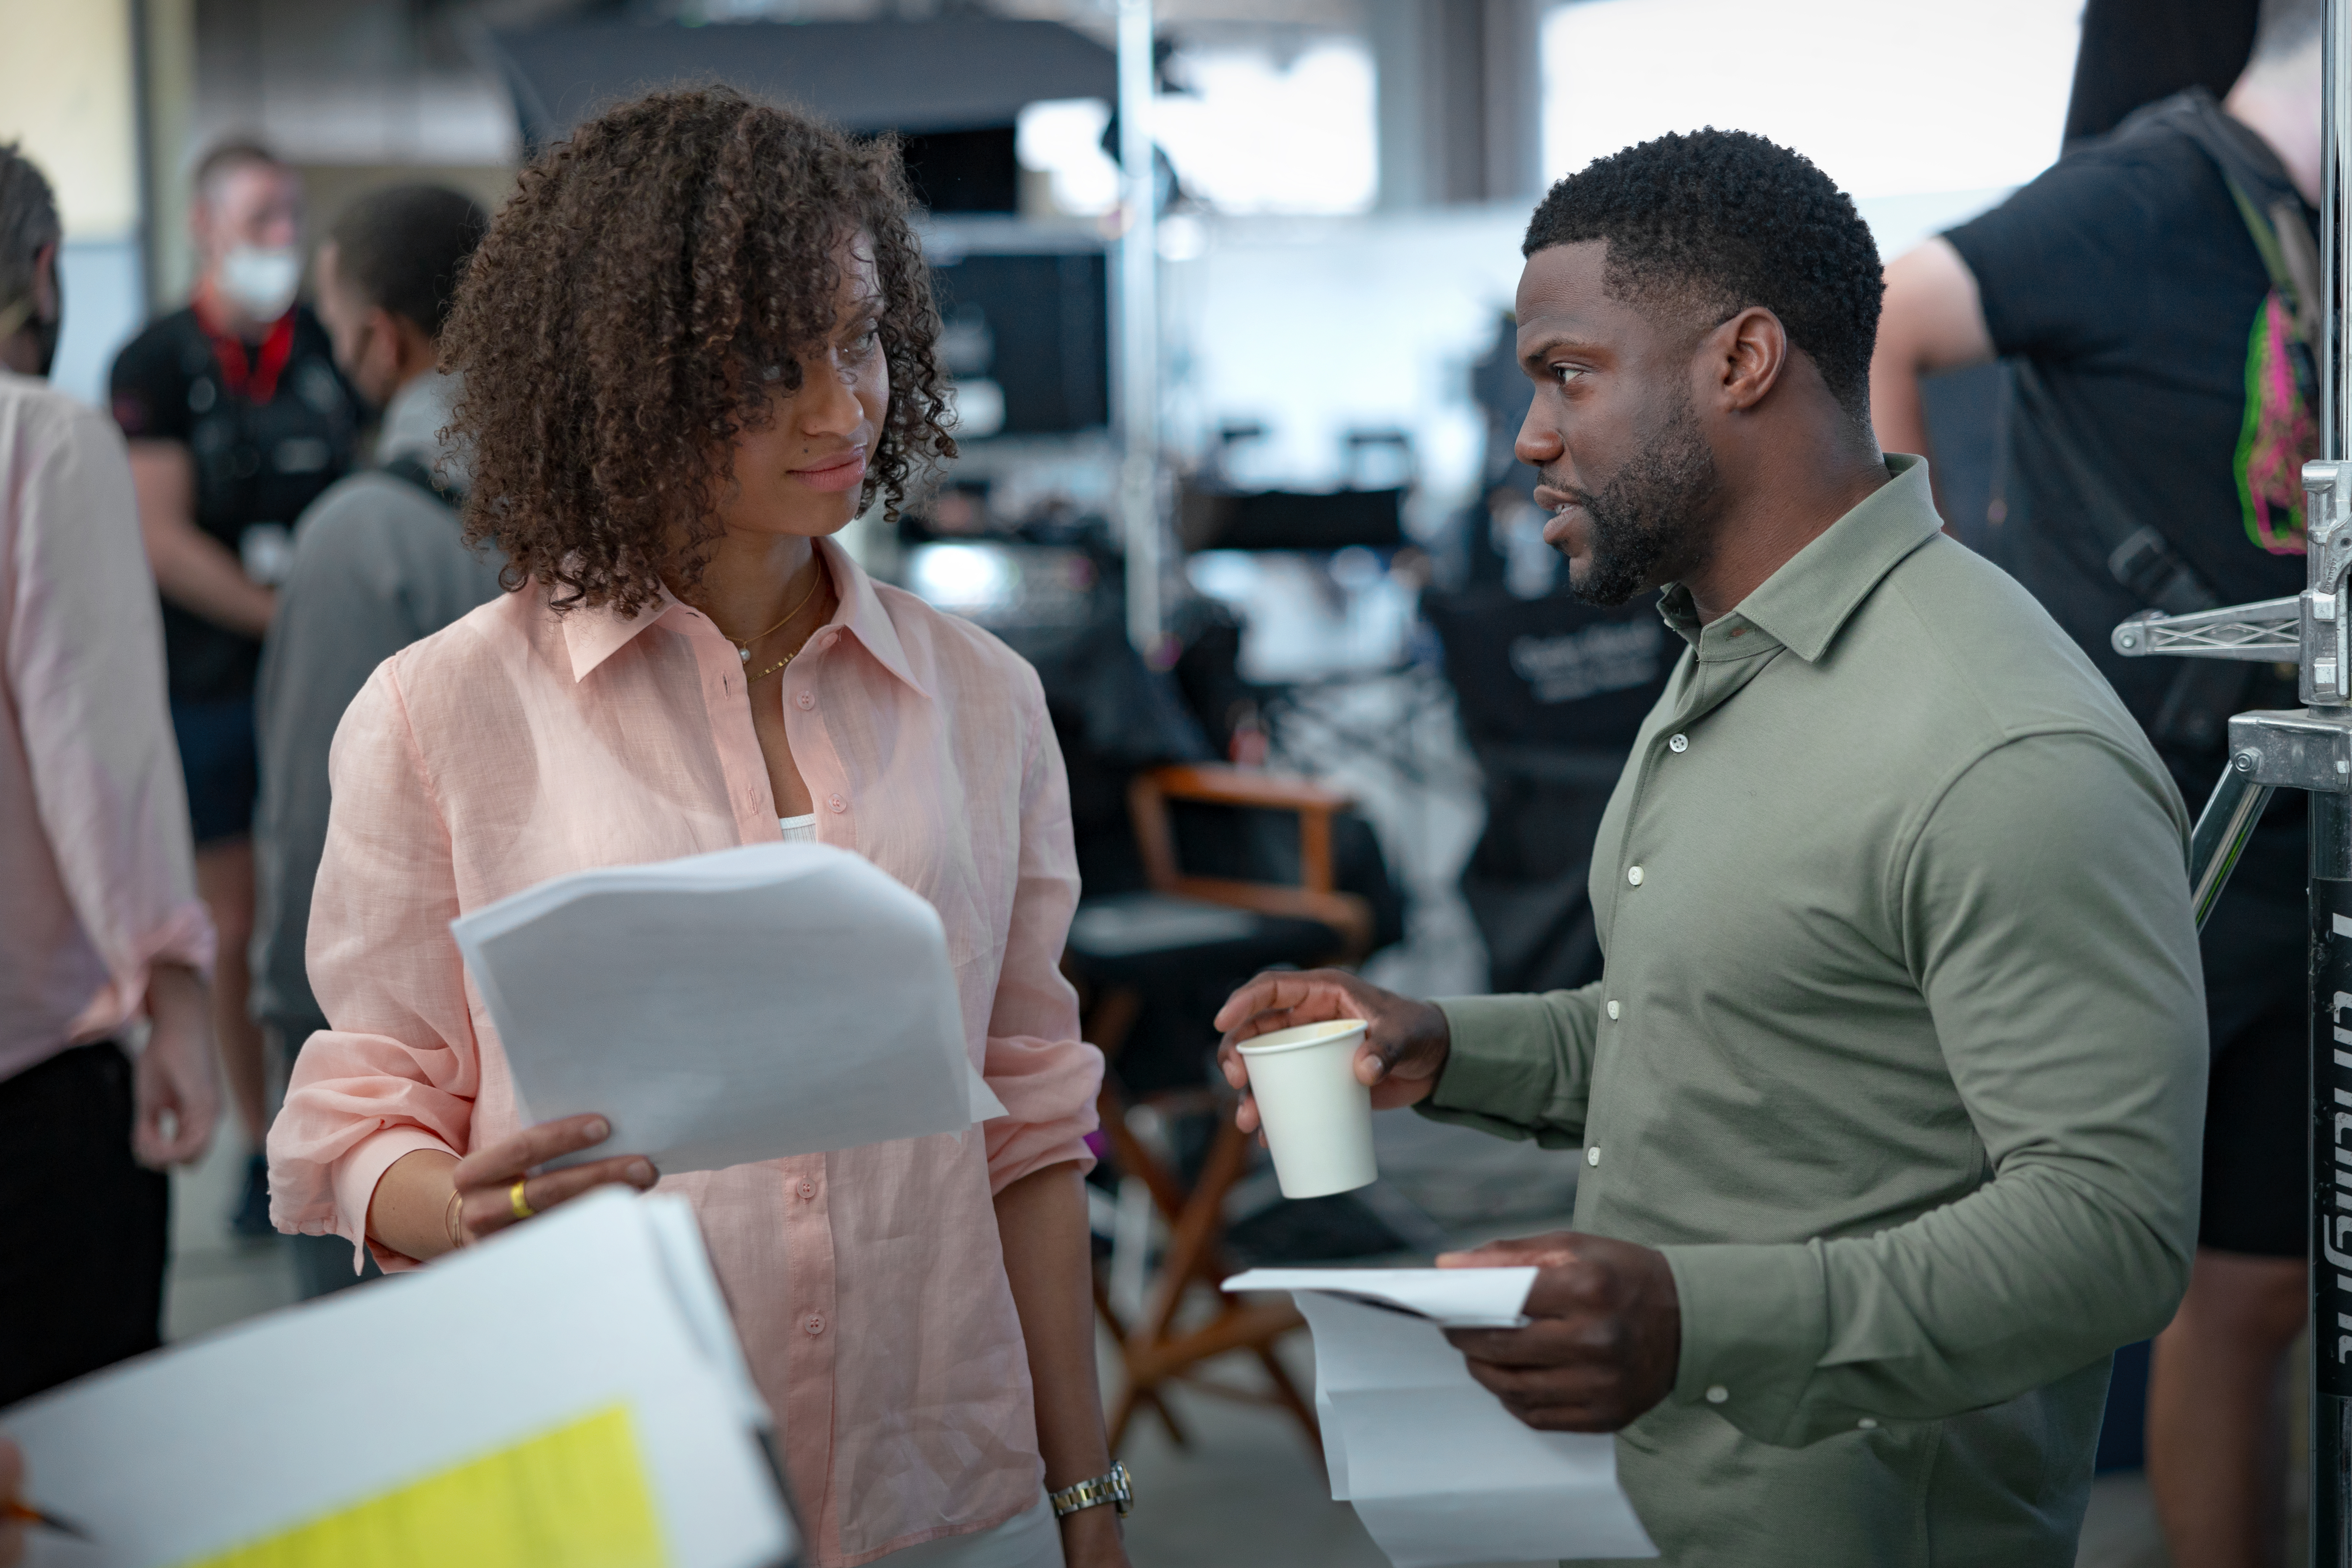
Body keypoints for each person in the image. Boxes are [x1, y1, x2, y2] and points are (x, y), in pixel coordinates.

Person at [1217, 129, 2206, 1568]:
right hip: (1657, 1502)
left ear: (1741, 362)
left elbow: (2110, 1229)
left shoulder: (2001, 748)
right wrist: (1443, 1045)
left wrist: (1699, 1321)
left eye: (1567, 372)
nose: (1530, 435)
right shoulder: (1726, 656)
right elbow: (1739, 1037)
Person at [265, 91, 1126, 1568]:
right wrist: (452, 1209)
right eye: (766, 365)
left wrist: (1087, 1505)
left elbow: (1031, 1123)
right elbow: (361, 1115)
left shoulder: (982, 700)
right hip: (615, 1496)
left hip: (946, 1482)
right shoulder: (444, 714)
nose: (840, 409)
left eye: (858, 341)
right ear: (629, 374)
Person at [1868, 3, 2319, 1560]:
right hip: (2143, 823)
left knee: (2255, 1289)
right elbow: (1891, 316)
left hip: (2295, 827)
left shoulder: (2315, 225)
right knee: (2025, 1268)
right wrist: (1913, 612)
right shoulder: (2152, 194)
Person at [249, 183, 500, 1301]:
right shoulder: (604, 502)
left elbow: (315, 828)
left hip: (399, 1099)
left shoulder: (361, 539)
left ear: (376, 341)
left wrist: (281, 1021)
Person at [0, 142, 220, 1406]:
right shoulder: (42, 442)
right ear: (43, 272)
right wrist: (173, 989)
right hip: (35, 1084)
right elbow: (97, 756)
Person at [109, 139, 359, 1240]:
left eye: (290, 217)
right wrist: (286, 618)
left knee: (337, 898)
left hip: (334, 676)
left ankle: (355, 1120)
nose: (279, 240)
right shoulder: (158, 361)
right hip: (214, 676)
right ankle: (264, 1144)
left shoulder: (328, 348)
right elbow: (159, 539)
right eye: (259, 218)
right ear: (204, 225)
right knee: (234, 914)